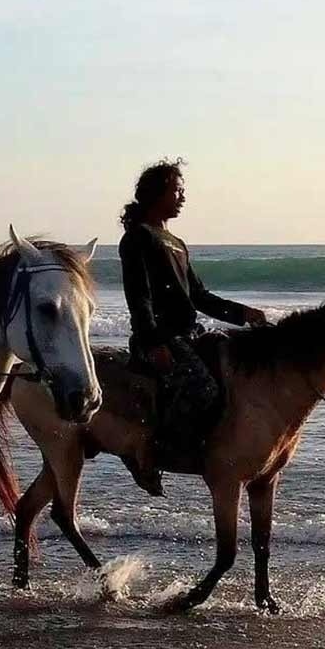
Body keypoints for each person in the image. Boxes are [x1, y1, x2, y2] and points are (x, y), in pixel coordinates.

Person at [117, 160, 267, 495]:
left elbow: (199, 296)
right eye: (177, 190)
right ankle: (152, 450)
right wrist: (153, 342)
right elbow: (138, 297)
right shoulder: (138, 237)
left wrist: (245, 314)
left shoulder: (176, 242)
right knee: (204, 389)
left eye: (182, 191)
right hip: (160, 337)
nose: (182, 197)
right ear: (157, 193)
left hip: (188, 334)